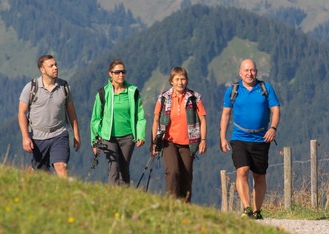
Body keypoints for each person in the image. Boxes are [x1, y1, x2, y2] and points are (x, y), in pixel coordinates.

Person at [219, 59, 280, 220]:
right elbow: (225, 114)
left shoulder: (265, 88)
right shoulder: (233, 90)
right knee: (242, 170)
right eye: (246, 70)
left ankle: (257, 210)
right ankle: (246, 208)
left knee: (259, 176)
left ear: (256, 72)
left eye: (252, 70)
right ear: (240, 73)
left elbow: (275, 109)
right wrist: (222, 137)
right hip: (239, 137)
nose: (249, 73)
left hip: (261, 138)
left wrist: (273, 128)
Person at [18, 54, 81, 177]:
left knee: (61, 166)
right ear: (42, 70)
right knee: (41, 174)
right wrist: (25, 137)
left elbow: (72, 113)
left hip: (59, 133)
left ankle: (65, 195)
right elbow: (21, 112)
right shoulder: (31, 87)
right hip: (37, 137)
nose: (55, 67)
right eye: (51, 66)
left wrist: (76, 135)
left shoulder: (64, 87)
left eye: (56, 64)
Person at [151, 67, 207, 202]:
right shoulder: (163, 98)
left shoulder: (195, 98)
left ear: (186, 80)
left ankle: (185, 205)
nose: (180, 82)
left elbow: (203, 120)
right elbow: (156, 120)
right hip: (168, 142)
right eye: (177, 79)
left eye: (183, 79)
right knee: (173, 171)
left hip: (189, 143)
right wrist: (154, 142)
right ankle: (171, 203)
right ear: (171, 81)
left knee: (186, 176)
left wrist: (203, 140)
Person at [90, 59, 146, 185]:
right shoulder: (103, 93)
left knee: (124, 169)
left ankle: (124, 198)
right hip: (108, 138)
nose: (121, 75)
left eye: (123, 72)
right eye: (117, 72)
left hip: (128, 137)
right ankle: (111, 198)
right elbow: (95, 118)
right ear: (110, 74)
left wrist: (140, 135)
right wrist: (94, 141)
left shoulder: (133, 92)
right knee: (113, 167)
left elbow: (140, 115)